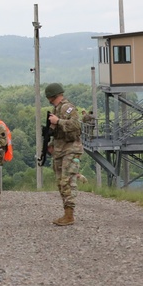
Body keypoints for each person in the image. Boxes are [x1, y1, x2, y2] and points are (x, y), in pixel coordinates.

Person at [44, 82, 83, 226]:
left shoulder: (67, 108)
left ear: (52, 96)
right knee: (61, 181)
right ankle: (66, 213)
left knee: (67, 180)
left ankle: (69, 215)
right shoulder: (57, 109)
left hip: (71, 149)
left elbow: (76, 126)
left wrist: (58, 121)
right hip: (60, 149)